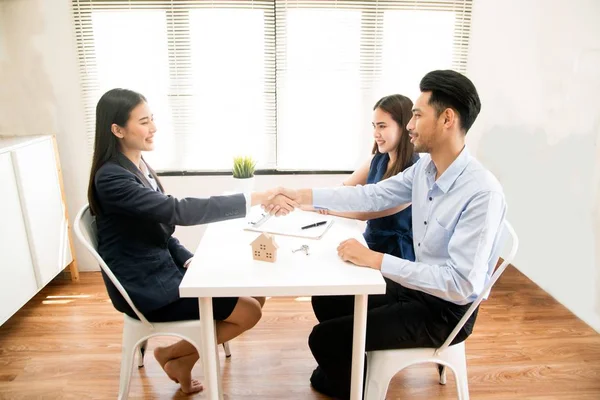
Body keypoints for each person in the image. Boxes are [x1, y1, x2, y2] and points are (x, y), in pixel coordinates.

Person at [267, 70, 507, 399]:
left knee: (323, 339)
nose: (410, 124)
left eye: (418, 115)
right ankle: (360, 370)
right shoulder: (425, 169)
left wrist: (376, 260)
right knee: (327, 298)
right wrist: (298, 195)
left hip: (445, 312)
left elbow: (461, 285)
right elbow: (371, 196)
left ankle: (360, 385)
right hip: (417, 288)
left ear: (447, 119)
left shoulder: (481, 192)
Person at [88, 88, 294, 394]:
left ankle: (180, 359)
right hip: (147, 288)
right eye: (144, 122)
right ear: (117, 130)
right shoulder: (112, 178)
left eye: (152, 119)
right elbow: (177, 211)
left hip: (164, 270)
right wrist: (256, 197)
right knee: (250, 310)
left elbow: (159, 233)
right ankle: (170, 355)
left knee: (255, 290)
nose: (154, 128)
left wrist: (187, 258)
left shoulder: (139, 168)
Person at [310, 94, 419, 340]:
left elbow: (367, 211)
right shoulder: (378, 159)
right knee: (323, 295)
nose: (376, 133)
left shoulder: (415, 171)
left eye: (382, 126)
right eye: (374, 126)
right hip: (369, 247)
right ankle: (349, 350)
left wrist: (321, 206)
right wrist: (313, 200)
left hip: (394, 259)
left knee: (331, 299)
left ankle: (353, 349)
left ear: (404, 127)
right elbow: (345, 188)